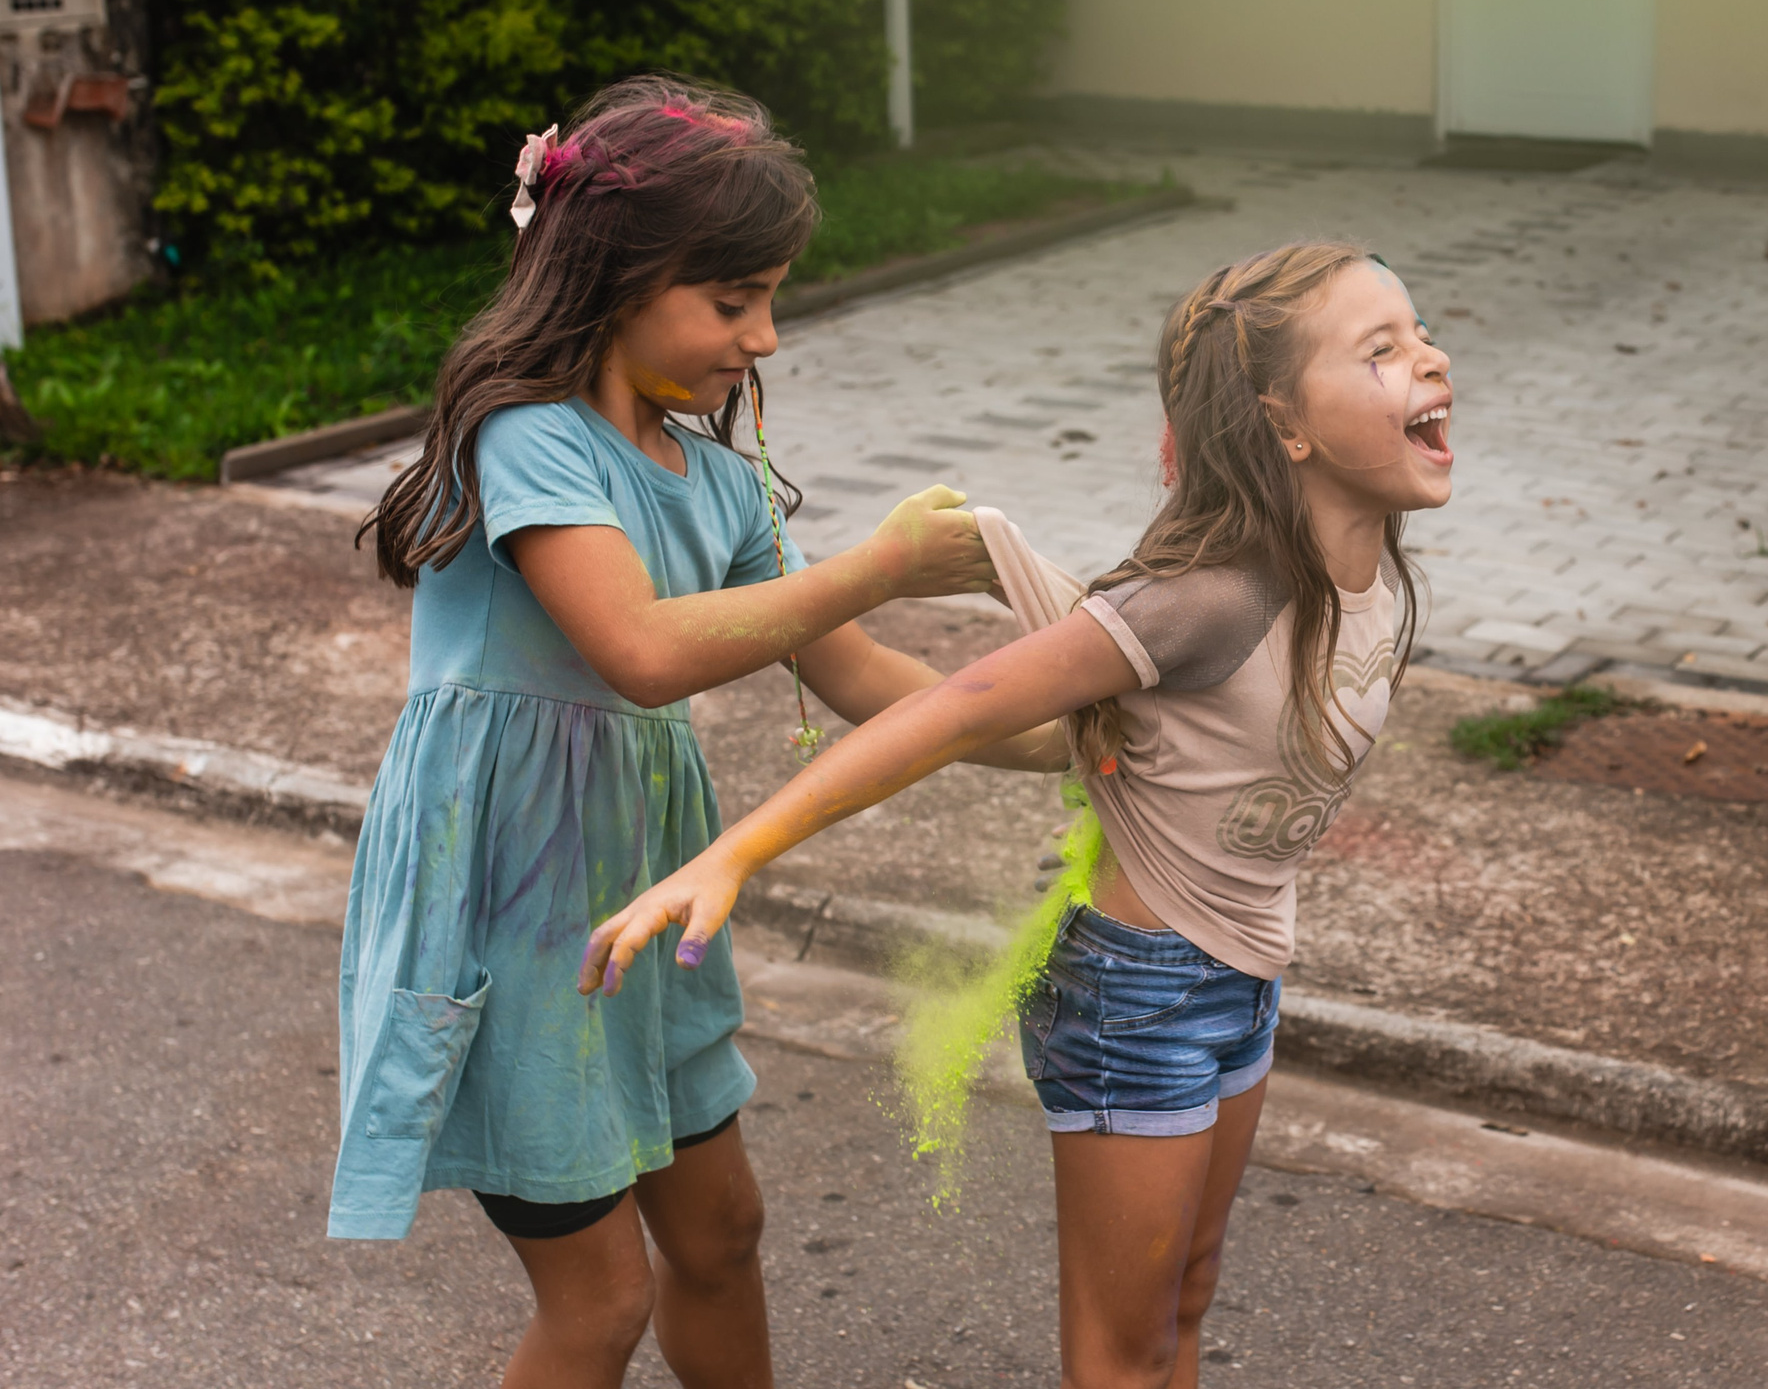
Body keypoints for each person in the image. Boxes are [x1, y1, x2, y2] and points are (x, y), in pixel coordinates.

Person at [582, 240, 1457, 1389]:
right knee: (1123, 1346)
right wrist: (734, 853)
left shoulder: (1375, 576)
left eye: (1420, 331)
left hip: (1242, 974)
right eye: (1380, 348)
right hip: (1136, 999)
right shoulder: (1207, 599)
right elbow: (950, 710)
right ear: (1285, 424)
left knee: (1183, 1297)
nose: (1429, 357)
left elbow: (1124, 742)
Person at [332, 75, 1064, 1389]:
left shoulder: (716, 483)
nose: (766, 337)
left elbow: (872, 681)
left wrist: (1079, 738)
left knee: (722, 1229)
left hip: (644, 896)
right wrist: (884, 558)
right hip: (508, 902)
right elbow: (643, 650)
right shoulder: (526, 437)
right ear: (617, 274)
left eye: (772, 295)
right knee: (600, 1299)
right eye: (735, 299)